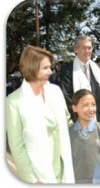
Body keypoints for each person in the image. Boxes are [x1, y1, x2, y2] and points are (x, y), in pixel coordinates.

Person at [6, 46, 75, 183]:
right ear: (32, 68)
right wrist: (32, 179)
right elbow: (17, 147)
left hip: (64, 170)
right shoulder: (13, 102)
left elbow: (68, 122)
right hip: (38, 175)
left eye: (50, 67)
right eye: (45, 68)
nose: (51, 71)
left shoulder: (55, 91)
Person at [60, 35, 100, 124]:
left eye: (89, 48)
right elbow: (67, 97)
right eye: (84, 48)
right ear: (76, 50)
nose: (87, 51)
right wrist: (77, 120)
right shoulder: (68, 70)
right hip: (80, 120)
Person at [69, 89, 100, 183]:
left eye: (93, 104)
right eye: (85, 105)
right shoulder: (68, 133)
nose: (91, 109)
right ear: (74, 108)